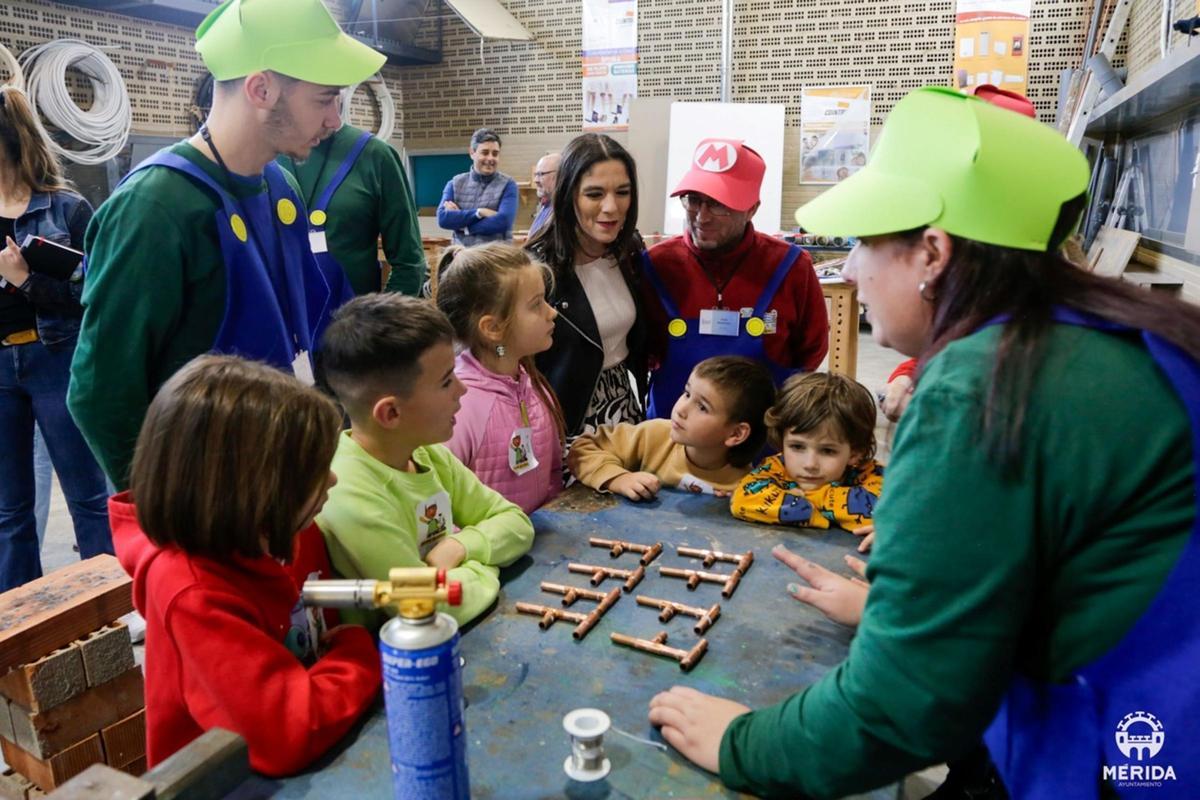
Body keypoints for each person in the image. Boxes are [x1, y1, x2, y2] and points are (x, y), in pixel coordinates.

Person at [647, 86, 1200, 797]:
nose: (847, 270)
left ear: (932, 253)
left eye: (864, 242)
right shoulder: (1122, 332)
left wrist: (743, 741)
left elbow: (905, 704)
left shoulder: (980, 385)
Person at [69, 0, 385, 490]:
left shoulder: (280, 187)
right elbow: (100, 392)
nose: (333, 121)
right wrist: (164, 508)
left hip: (281, 479)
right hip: (208, 502)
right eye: (324, 100)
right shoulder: (155, 208)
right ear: (261, 89)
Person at [111, 355, 381, 775]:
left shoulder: (282, 531)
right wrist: (359, 655)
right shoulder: (191, 591)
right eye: (313, 472)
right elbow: (286, 735)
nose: (332, 480)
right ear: (253, 487)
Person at [315, 294, 534, 627]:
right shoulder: (349, 495)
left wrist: (460, 547)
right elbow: (430, 604)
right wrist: (487, 565)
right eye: (446, 381)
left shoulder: (423, 452)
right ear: (391, 413)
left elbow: (516, 524)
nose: (461, 390)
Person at [0, 85, 111, 591]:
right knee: (9, 507)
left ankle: (110, 606)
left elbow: (97, 294)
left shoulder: (66, 209)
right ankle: (20, 620)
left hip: (56, 359)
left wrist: (28, 281)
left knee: (88, 495)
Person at [641, 138, 828, 418]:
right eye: (693, 200)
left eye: (718, 204)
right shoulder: (657, 265)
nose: (702, 218)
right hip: (669, 444)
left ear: (752, 208)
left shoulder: (790, 268)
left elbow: (811, 351)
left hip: (762, 448)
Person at [526, 133, 648, 442]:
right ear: (569, 195)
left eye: (622, 192)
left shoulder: (628, 251)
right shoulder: (536, 269)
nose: (611, 207)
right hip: (565, 421)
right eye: (594, 194)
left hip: (625, 411)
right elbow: (501, 354)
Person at [436, 243, 565, 514]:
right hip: (485, 554)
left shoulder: (534, 384)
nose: (552, 312)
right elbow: (439, 508)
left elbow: (554, 476)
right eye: (536, 305)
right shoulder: (460, 408)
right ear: (493, 328)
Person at [569, 355, 775, 501]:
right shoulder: (655, 435)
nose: (681, 409)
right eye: (687, 393)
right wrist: (619, 479)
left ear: (736, 434)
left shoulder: (749, 490)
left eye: (702, 407)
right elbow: (583, 449)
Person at [279, 122, 426, 296]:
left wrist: (381, 320)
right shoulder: (263, 156)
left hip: (353, 316)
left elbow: (410, 263)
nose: (332, 115)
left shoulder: (375, 155)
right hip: (279, 316)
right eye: (321, 99)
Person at [730, 372, 883, 535]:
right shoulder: (777, 466)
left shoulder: (873, 474)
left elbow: (886, 511)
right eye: (797, 447)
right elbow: (741, 499)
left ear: (855, 453)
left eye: (827, 451)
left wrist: (804, 499)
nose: (810, 464)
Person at [437, 128, 517, 246]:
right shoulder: (455, 184)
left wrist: (464, 226)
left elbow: (504, 221)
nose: (490, 158)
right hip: (462, 258)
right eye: (485, 152)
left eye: (495, 154)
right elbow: (443, 219)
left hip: (496, 259)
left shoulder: (508, 184)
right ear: (472, 153)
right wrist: (479, 213)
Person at [529, 152, 560, 237]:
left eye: (541, 174)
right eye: (535, 175)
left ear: (560, 175)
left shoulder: (562, 211)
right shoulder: (546, 205)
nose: (536, 180)